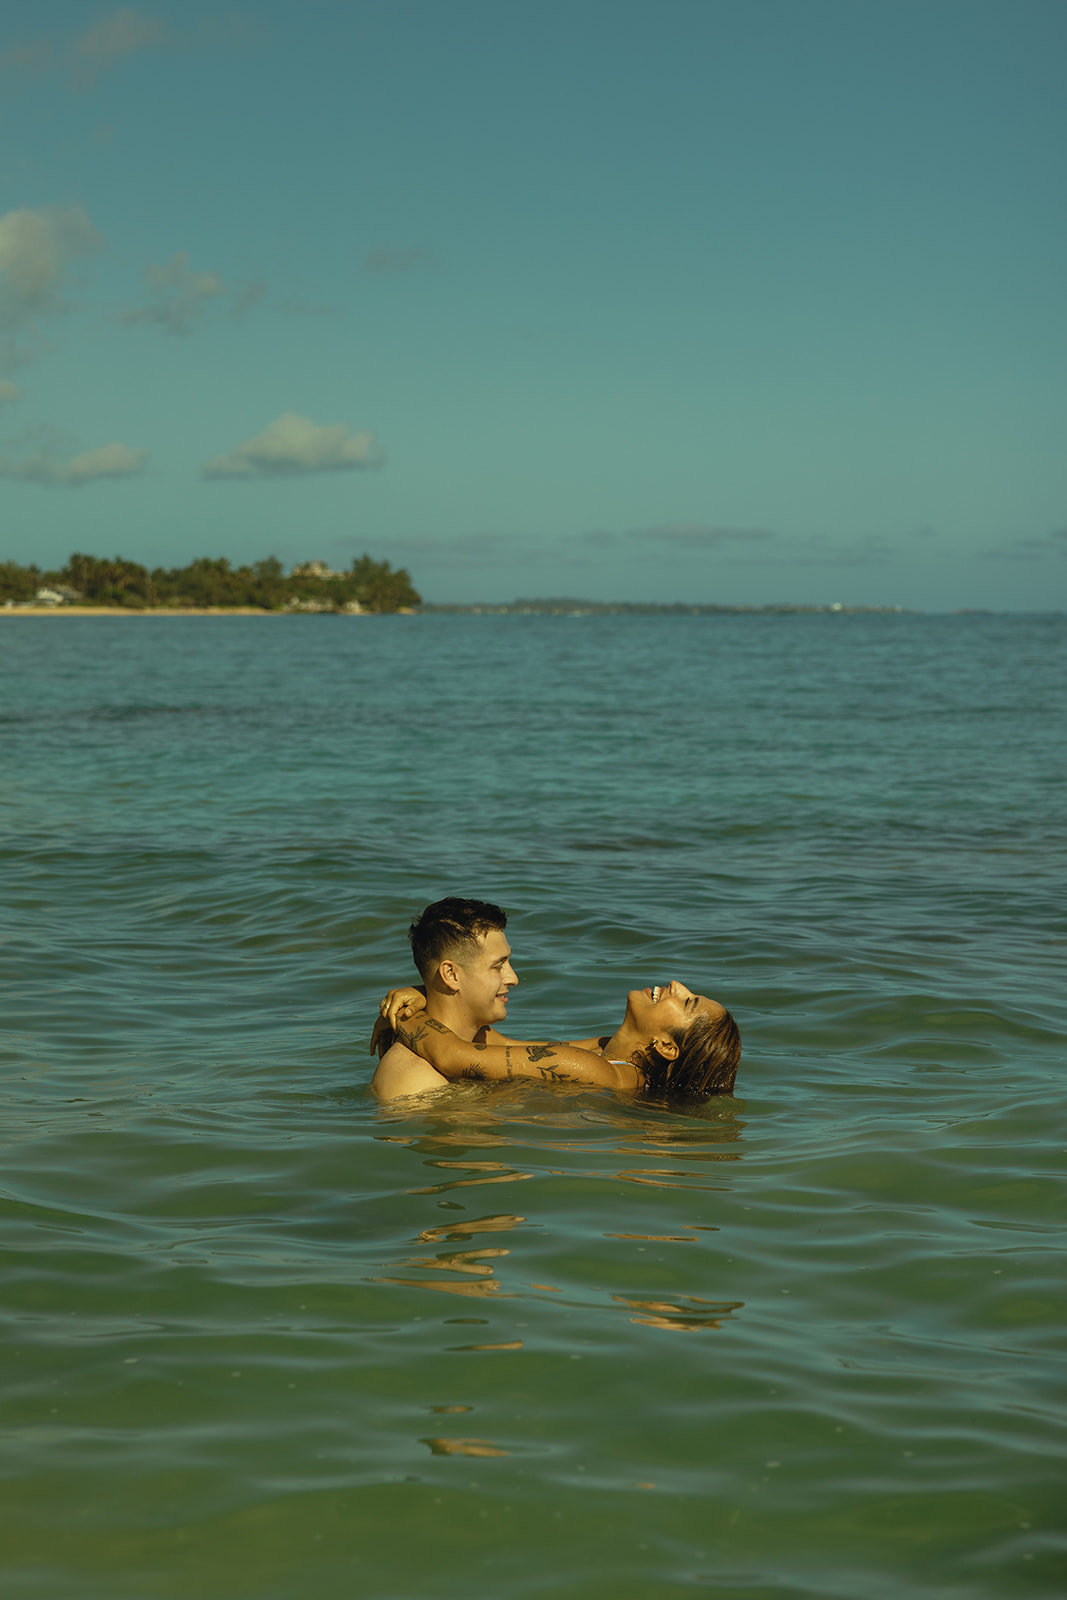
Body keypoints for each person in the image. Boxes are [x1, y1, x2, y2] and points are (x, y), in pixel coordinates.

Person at [371, 899, 740, 1100]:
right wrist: (425, 993)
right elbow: (504, 1047)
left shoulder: (601, 1071)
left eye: (688, 1002)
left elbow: (453, 1056)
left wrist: (402, 1015)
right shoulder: (605, 1054)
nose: (677, 984)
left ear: (667, 1047)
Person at [371, 898, 519, 1099]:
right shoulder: (416, 1082)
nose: (513, 979)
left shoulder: (481, 1041)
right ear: (451, 974)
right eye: (497, 966)